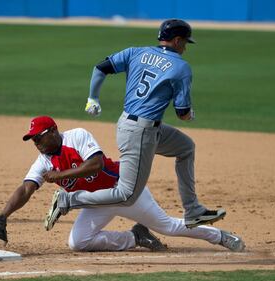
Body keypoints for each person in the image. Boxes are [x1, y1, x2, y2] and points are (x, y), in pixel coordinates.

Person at [46, 19, 225, 230]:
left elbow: (101, 68)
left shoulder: (136, 52)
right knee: (127, 194)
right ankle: (68, 200)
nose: (185, 47)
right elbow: (182, 113)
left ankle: (193, 211)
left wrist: (92, 98)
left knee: (186, 147)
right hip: (141, 133)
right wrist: (190, 115)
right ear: (176, 40)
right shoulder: (181, 67)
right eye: (185, 42)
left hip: (135, 126)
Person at [0, 116, 245, 253]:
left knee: (168, 226)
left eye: (39, 137)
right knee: (78, 243)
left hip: (125, 190)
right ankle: (135, 237)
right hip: (96, 203)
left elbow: (97, 164)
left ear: (54, 131)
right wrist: (3, 215)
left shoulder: (76, 136)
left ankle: (221, 237)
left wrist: (61, 175)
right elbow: (26, 188)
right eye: (32, 139)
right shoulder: (43, 161)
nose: (36, 142)